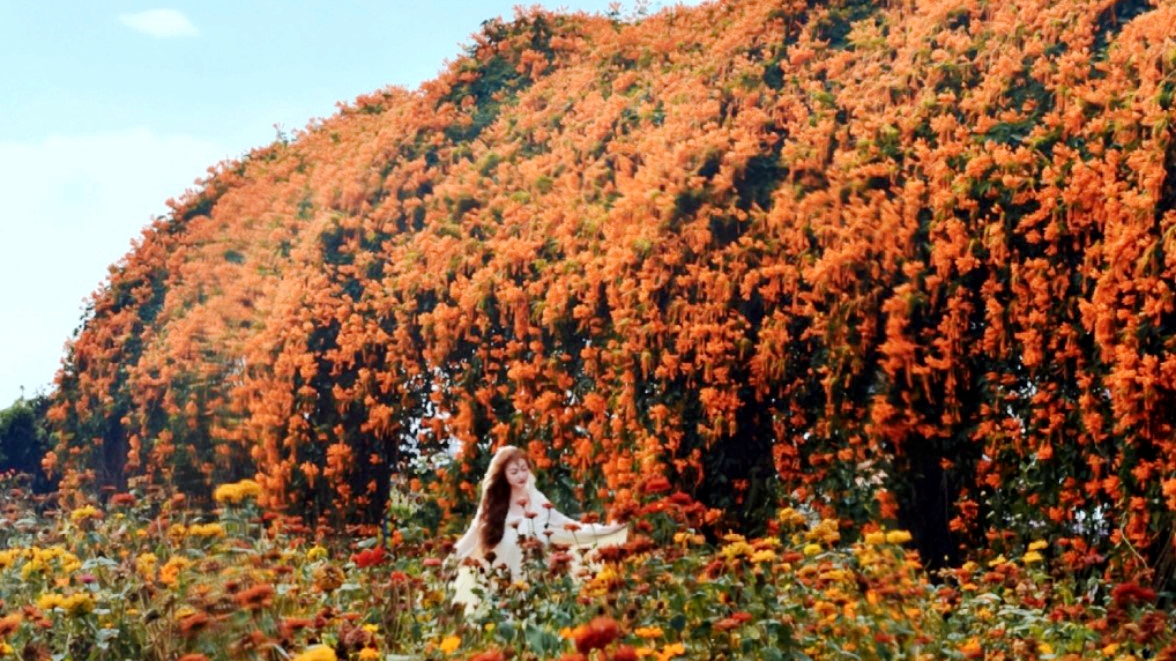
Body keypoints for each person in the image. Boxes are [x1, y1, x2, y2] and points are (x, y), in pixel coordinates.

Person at [449, 445, 627, 613]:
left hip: (534, 584)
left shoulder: (538, 501)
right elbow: (472, 536)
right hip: (500, 586)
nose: (521, 475)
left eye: (524, 469)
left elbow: (568, 526)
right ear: (503, 475)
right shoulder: (493, 506)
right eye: (514, 471)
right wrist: (449, 562)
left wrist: (608, 530)